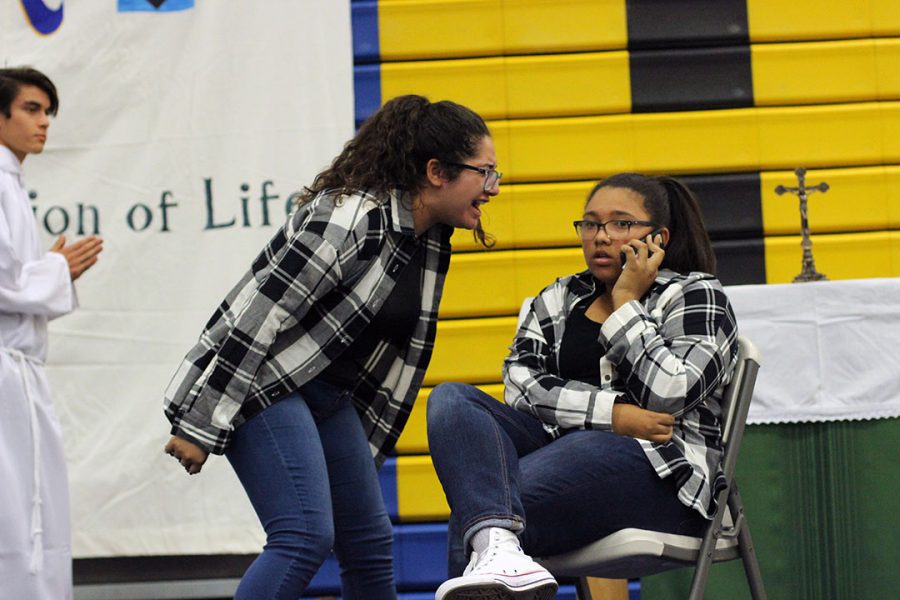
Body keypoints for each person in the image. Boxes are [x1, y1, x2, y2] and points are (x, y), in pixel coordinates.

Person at [162, 94, 501, 599]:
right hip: (267, 383)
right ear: (436, 172)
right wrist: (202, 423)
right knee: (303, 537)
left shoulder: (428, 240)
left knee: (368, 543)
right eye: (485, 172)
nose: (494, 188)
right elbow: (259, 314)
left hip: (328, 396)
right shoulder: (350, 218)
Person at [427, 173, 738, 599]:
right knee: (453, 401)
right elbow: (521, 384)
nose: (601, 236)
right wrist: (613, 415)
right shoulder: (558, 297)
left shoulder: (695, 295)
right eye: (590, 224)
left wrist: (628, 302)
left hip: (665, 482)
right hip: (565, 459)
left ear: (658, 237)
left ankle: (495, 544)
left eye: (621, 224)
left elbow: (671, 391)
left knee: (482, 508)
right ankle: (498, 549)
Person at [0, 67, 104, 600]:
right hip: (4, 375)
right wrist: (58, 269)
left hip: (19, 373)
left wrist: (54, 269)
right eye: (31, 109)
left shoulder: (11, 183)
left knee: (32, 511)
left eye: (48, 112)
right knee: (15, 514)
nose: (44, 123)